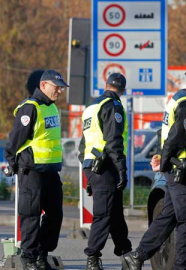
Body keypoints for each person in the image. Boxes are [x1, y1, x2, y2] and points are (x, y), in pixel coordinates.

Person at [122, 60, 186, 270]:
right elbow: (176, 139)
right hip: (182, 172)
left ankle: (137, 256)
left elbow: (169, 136)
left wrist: (163, 160)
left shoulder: (183, 98)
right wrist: (165, 162)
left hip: (177, 170)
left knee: (168, 216)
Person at [3, 70, 68, 270]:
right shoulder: (30, 108)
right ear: (43, 86)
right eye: (56, 86)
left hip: (50, 171)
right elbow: (15, 140)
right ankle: (29, 258)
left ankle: (42, 253)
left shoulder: (52, 108)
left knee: (55, 214)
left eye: (61, 87)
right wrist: (12, 163)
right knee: (30, 215)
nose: (59, 90)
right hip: (31, 171)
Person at [78, 73, 132, 270]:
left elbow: (83, 143)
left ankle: (126, 253)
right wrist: (122, 169)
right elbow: (113, 141)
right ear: (123, 91)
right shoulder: (113, 106)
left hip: (92, 164)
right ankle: (92, 257)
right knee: (104, 213)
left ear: (106, 86)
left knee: (115, 212)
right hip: (106, 166)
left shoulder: (91, 107)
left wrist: (89, 172)